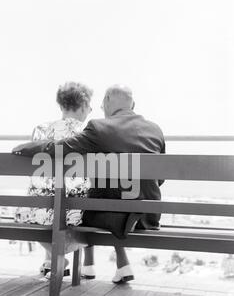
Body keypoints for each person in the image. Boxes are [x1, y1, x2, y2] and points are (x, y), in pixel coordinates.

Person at [13, 85, 166, 284]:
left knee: (85, 201)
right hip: (149, 216)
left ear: (108, 100)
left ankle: (69, 262)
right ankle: (101, 265)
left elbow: (61, 148)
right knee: (93, 195)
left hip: (117, 216)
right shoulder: (155, 129)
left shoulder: (100, 128)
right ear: (133, 105)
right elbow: (160, 179)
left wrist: (25, 147)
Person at [14, 81, 92, 278]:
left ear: (61, 105)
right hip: (76, 213)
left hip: (37, 212)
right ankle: (59, 257)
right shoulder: (89, 132)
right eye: (89, 106)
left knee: (43, 198)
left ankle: (52, 258)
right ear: (83, 105)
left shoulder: (40, 129)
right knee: (71, 198)